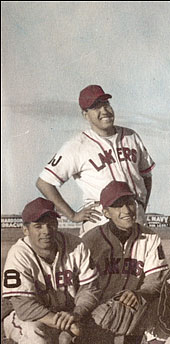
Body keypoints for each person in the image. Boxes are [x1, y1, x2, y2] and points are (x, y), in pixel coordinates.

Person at [1, 198, 100, 344]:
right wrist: (63, 323)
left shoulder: (76, 245)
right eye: (38, 226)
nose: (46, 231)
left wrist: (76, 314)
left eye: (50, 224)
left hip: (70, 318)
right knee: (31, 330)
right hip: (29, 319)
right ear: (25, 229)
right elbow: (24, 307)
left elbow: (91, 289)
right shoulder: (19, 254)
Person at [82, 181, 170, 344]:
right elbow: (80, 285)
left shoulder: (150, 237)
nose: (126, 210)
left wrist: (139, 293)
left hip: (134, 305)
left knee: (160, 304)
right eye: (118, 205)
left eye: (129, 202)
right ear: (106, 211)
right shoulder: (91, 240)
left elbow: (155, 279)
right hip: (98, 312)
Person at [36, 85, 154, 236]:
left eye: (106, 104)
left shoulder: (131, 136)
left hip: (134, 215)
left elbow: (146, 176)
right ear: (85, 114)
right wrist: (72, 215)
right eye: (95, 107)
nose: (104, 111)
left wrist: (142, 203)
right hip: (100, 220)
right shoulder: (76, 146)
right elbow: (44, 182)